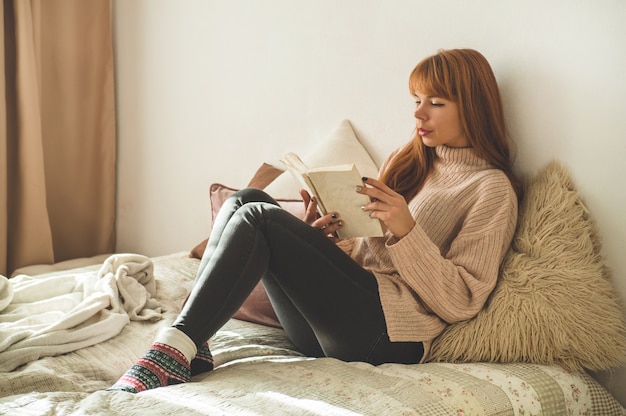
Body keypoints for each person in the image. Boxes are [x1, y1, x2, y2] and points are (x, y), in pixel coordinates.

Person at [109, 48, 522, 393]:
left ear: (472, 106)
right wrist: (322, 240)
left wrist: (407, 231)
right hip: (332, 325)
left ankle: (174, 349)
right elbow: (365, 257)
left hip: (389, 336)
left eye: (436, 103)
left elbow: (464, 301)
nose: (420, 115)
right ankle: (192, 342)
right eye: (416, 100)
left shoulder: (491, 189)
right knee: (248, 199)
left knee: (258, 217)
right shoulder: (408, 161)